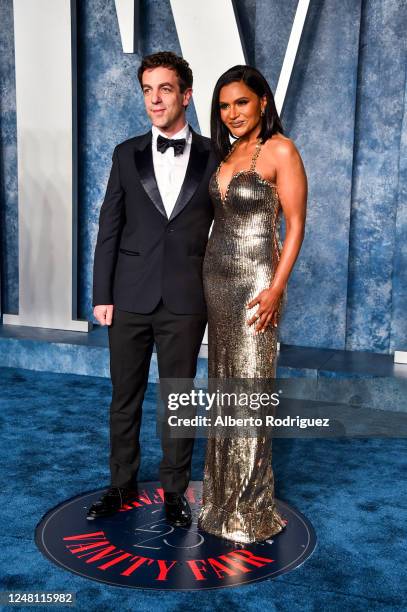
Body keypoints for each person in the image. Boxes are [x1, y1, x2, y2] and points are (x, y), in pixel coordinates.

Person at [88, 51, 217, 527]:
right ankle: (120, 484)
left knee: (177, 399)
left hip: (186, 300)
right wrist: (103, 294)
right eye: (147, 90)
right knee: (124, 396)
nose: (154, 99)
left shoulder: (213, 156)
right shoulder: (126, 154)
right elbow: (110, 227)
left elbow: (226, 230)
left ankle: (174, 492)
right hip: (127, 297)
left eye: (164, 89)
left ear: (186, 94)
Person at [198, 65, 307, 543]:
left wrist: (275, 288)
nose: (232, 113)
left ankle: (248, 508)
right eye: (224, 106)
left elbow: (296, 224)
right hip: (216, 282)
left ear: (263, 100)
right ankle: (220, 501)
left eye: (241, 102)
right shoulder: (226, 153)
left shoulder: (279, 149)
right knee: (224, 385)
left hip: (256, 284)